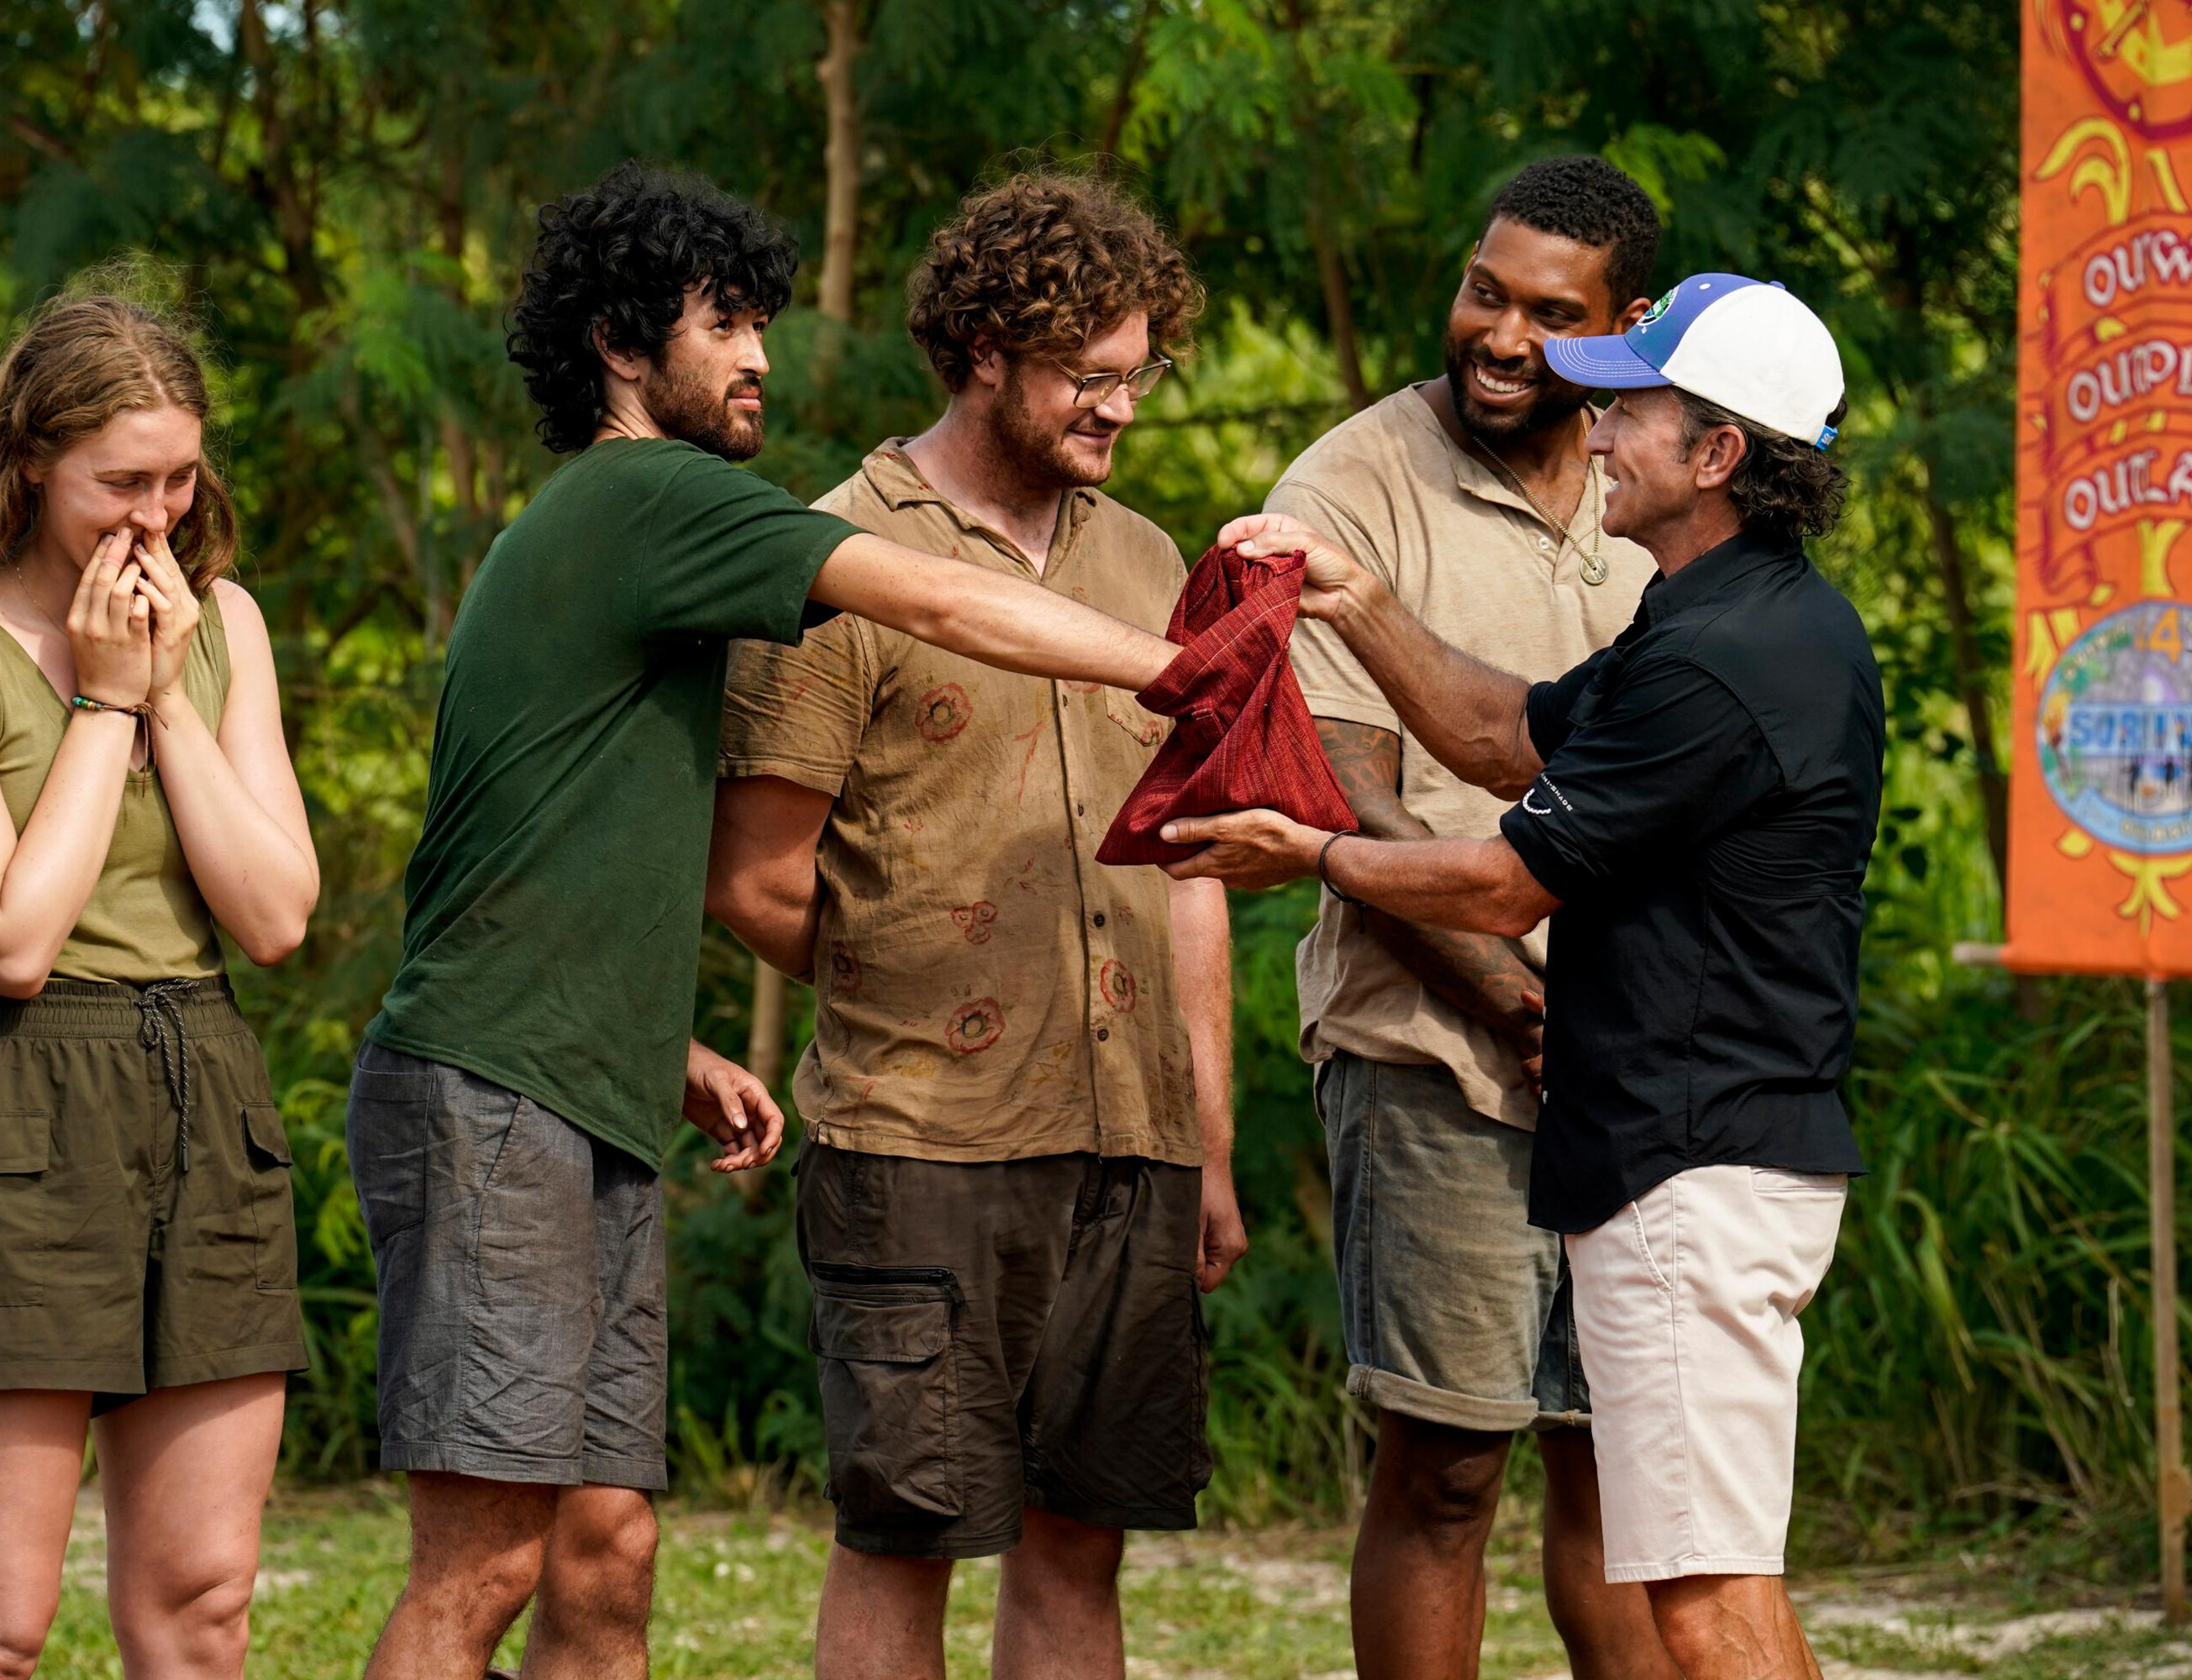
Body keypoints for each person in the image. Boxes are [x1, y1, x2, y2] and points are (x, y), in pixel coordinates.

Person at [346, 161, 1183, 1680]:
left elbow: (521, 842)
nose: (760, 361)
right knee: (486, 1564)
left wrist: (657, 1046)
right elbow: (938, 601)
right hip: (490, 1097)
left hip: (571, 1080)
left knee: (606, 1552)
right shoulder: (648, 493)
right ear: (620, 344)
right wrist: (1174, 667)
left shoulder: (630, 538)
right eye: (724, 325)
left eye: (762, 325)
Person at [1168, 273, 1879, 1680]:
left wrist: (1310, 851)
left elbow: (1507, 881)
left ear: (1717, 452)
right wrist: (1362, 600)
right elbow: (1504, 736)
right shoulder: (1719, 612)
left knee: (1707, 1600)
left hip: (1693, 1172)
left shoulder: (1720, 658)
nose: (1594, 432)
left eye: (1629, 411)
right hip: (1698, 1157)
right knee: (1705, 1575)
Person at [706, 171, 1240, 1680]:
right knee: (908, 1540)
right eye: (1087, 375)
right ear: (986, 354)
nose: (1120, 407)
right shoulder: (836, 558)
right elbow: (755, 881)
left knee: (1083, 1547)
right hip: (922, 1144)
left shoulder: (1150, 565)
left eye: (1140, 372)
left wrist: (1206, 1137)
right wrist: (921, 985)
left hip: (1132, 1144)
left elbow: (1191, 865)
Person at [0, 287, 321, 1680]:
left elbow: (275, 915)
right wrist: (105, 699)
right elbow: (8, 940)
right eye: (121, 482)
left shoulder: (223, 622)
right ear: (27, 461)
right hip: (15, 1092)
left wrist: (168, 693)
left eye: (179, 478)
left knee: (202, 1610)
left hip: (205, 1083)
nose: (157, 516)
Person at [1263, 156, 1676, 1677]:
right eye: (1482, 293)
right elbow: (1341, 793)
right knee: (1446, 1470)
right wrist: (1520, 999)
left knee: (1623, 1477)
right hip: (1437, 1045)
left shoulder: (1664, 479)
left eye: (1550, 315)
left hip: (1644, 1068)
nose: (1500, 338)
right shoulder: (1347, 489)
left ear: (1627, 325)